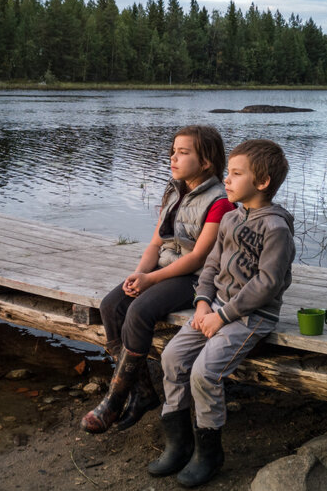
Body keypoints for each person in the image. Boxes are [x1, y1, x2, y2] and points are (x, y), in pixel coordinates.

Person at [148, 139, 295, 487]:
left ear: (261, 183)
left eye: (236, 174)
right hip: (214, 309)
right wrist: (202, 303)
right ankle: (179, 443)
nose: (226, 180)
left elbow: (267, 285)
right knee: (172, 357)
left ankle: (209, 452)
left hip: (251, 316)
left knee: (204, 372)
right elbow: (212, 265)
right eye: (228, 172)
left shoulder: (276, 229)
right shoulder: (230, 217)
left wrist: (222, 315)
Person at [81, 125, 235, 434]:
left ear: (206, 162)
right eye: (173, 152)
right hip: (163, 270)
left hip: (196, 277)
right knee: (111, 305)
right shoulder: (174, 190)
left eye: (183, 153)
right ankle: (144, 392)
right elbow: (155, 243)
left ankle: (115, 397)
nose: (173, 158)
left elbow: (199, 258)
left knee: (139, 311)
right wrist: (141, 274)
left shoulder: (220, 201)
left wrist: (151, 282)